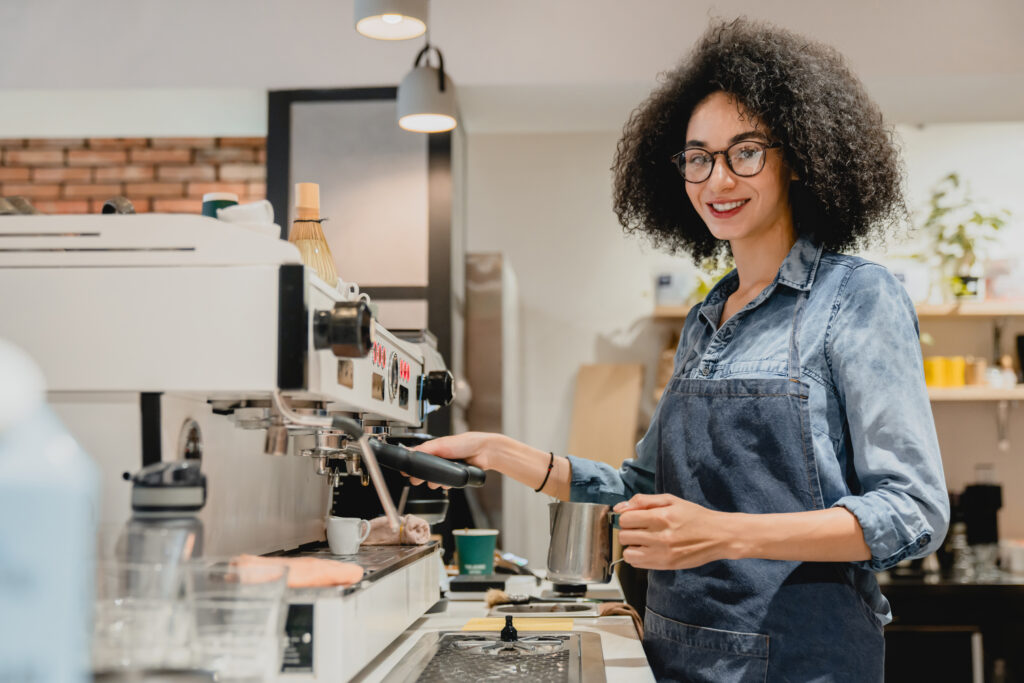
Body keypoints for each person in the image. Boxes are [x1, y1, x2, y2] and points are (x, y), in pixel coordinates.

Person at [415, 18, 949, 682]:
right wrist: (499, 453)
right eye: (699, 157)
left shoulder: (855, 297)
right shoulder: (705, 317)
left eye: (744, 151)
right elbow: (642, 490)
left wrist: (726, 532)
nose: (717, 179)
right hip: (672, 656)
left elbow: (913, 511)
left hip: (802, 665)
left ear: (800, 155)